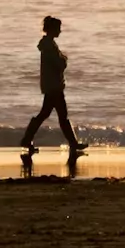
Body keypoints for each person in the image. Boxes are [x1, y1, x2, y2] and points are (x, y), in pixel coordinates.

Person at [21, 16, 87, 151]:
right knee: (61, 115)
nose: (60, 31)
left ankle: (27, 139)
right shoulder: (50, 46)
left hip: (51, 85)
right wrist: (64, 59)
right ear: (52, 29)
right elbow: (59, 64)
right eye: (58, 28)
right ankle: (73, 144)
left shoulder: (48, 45)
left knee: (45, 114)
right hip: (54, 86)